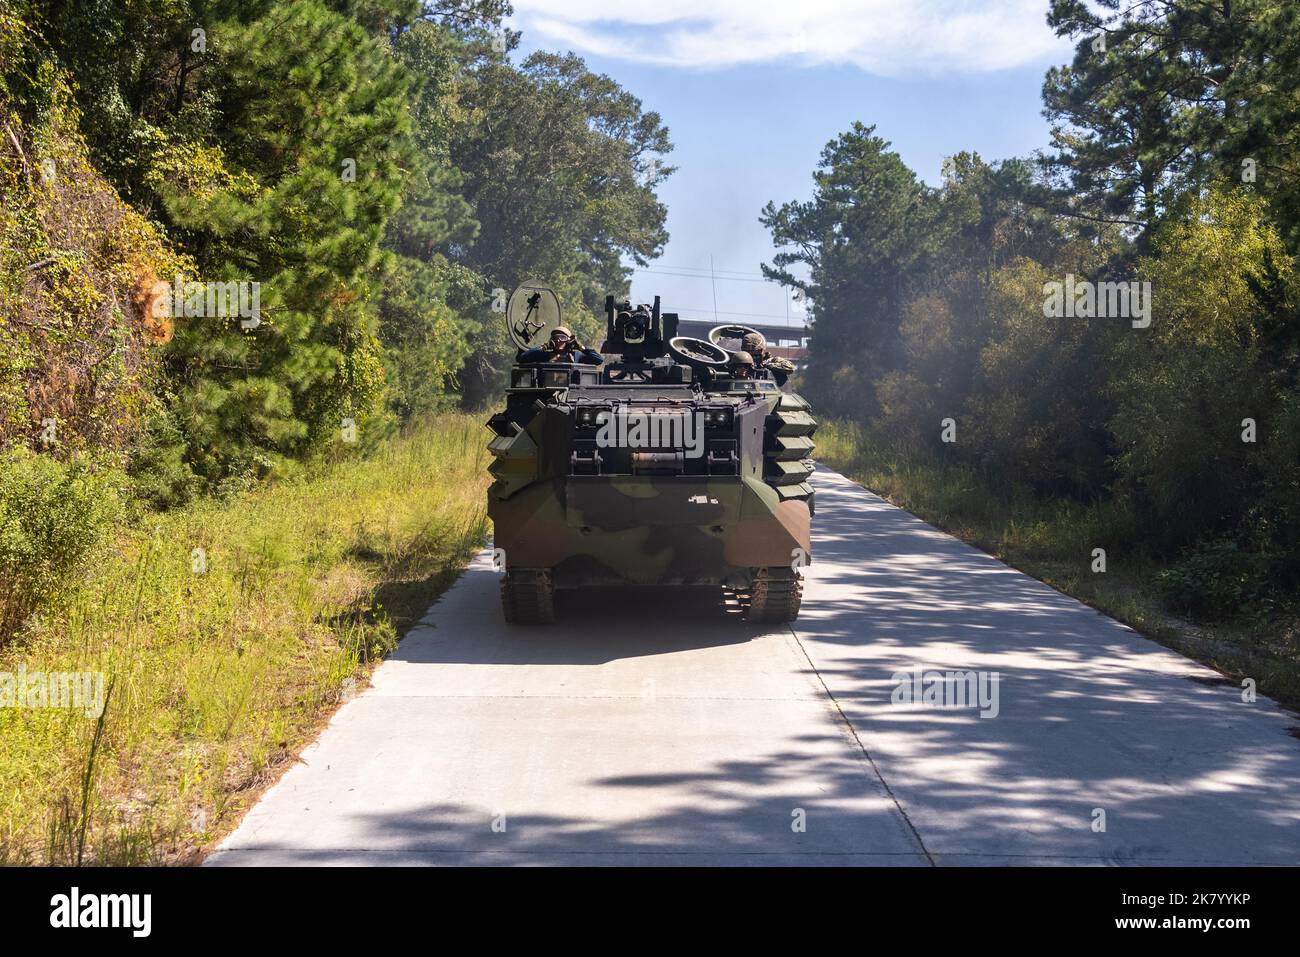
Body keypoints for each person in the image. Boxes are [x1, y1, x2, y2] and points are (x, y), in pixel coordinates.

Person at [519, 326, 603, 365]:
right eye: (555, 338)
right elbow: (522, 358)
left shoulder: (577, 355)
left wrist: (581, 347)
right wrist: (543, 347)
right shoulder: (545, 355)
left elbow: (598, 360)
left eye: (562, 337)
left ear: (568, 340)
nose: (558, 340)